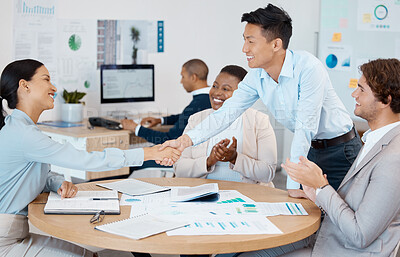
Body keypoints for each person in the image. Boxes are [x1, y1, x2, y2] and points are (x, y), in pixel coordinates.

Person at [160, 4, 362, 198]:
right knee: (314, 218)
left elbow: (305, 127)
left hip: (341, 150)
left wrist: (292, 184)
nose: (244, 49)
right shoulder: (257, 77)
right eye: (244, 40)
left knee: (342, 217)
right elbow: (225, 114)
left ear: (275, 44)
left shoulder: (308, 67)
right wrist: (183, 141)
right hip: (311, 150)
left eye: (250, 41)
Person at [0, 59, 180, 257]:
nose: (53, 87)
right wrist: (149, 153)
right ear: (24, 85)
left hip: (15, 233)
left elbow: (26, 173)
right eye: (46, 79)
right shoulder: (24, 134)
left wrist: (57, 182)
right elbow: (85, 159)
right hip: (5, 241)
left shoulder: (20, 128)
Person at [239, 58, 400, 256]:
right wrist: (316, 194)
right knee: (246, 251)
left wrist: (323, 189)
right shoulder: (374, 140)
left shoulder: (393, 158)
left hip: (343, 250)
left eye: (362, 90)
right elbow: (355, 206)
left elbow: (360, 234)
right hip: (330, 237)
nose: (353, 94)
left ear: (386, 100)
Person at [174, 65, 277, 185]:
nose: (217, 93)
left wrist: (235, 158)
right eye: (215, 86)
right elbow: (179, 169)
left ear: (242, 95)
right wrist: (208, 161)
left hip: (248, 196)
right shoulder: (197, 119)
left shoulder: (259, 121)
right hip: (204, 196)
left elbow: (268, 173)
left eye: (226, 89)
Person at [121, 58, 211, 144]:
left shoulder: (197, 104)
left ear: (193, 77)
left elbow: (169, 139)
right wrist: (161, 120)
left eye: (183, 76)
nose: (181, 81)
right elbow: (188, 116)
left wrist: (136, 128)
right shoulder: (210, 99)